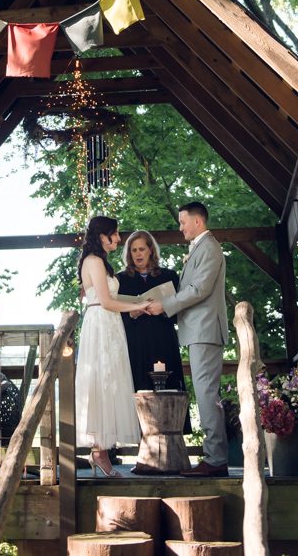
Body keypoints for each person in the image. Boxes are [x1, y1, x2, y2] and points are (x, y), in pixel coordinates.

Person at [148, 202, 228, 477]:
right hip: (198, 330)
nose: (180, 227)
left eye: (183, 222)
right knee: (205, 393)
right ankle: (214, 456)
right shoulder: (200, 248)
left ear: (197, 221)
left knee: (207, 394)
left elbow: (199, 289)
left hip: (205, 330)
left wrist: (166, 305)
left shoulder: (209, 248)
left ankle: (215, 459)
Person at [75, 215, 153, 477]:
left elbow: (112, 299)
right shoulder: (94, 261)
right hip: (100, 324)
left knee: (111, 381)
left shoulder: (103, 263)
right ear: (102, 236)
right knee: (100, 381)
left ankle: (102, 450)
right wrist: (138, 305)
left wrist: (133, 308)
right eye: (115, 234)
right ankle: (99, 451)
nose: (119, 239)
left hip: (111, 325)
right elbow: (106, 302)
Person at [117, 230, 191, 434]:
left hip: (163, 341)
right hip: (136, 344)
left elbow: (179, 313)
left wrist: (163, 306)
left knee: (168, 389)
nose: (138, 254)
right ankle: (143, 454)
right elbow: (114, 317)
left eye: (142, 249)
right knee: (139, 390)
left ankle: (173, 444)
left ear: (151, 250)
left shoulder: (169, 276)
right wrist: (132, 312)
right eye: (133, 250)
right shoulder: (121, 280)